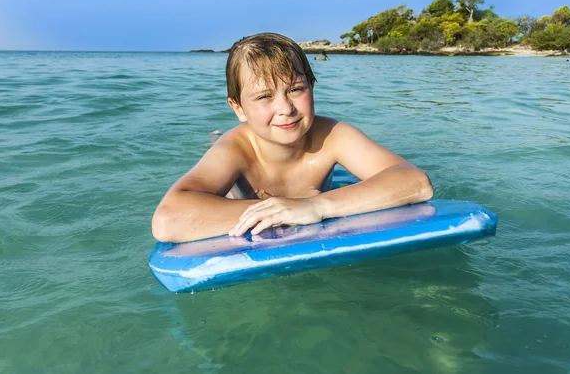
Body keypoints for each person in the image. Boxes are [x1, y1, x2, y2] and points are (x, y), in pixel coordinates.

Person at [152, 33, 433, 242]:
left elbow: (416, 183)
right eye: (264, 97)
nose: (286, 109)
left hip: (310, 201)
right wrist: (281, 210)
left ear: (312, 86)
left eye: (296, 89)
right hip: (237, 160)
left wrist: (315, 206)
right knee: (217, 145)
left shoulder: (333, 136)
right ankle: (213, 136)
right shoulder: (235, 150)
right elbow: (168, 220)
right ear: (238, 108)